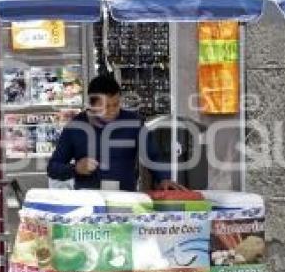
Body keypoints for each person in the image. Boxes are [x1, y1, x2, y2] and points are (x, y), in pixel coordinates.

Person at [47, 75, 184, 191]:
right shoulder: (75, 127)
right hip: (89, 200)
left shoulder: (133, 122)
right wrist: (75, 168)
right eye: (106, 106)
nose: (112, 110)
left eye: (116, 104)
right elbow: (53, 168)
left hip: (126, 198)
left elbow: (153, 156)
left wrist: (164, 178)